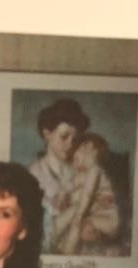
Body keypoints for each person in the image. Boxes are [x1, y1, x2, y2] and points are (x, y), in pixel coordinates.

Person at [28, 97, 92, 254]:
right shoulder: (32, 176)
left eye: (74, 138)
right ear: (47, 134)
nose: (70, 144)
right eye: (64, 137)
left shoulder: (81, 171)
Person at [63, 132, 124, 256]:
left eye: (78, 151)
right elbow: (69, 188)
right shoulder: (84, 174)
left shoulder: (95, 170)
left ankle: (67, 254)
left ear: (89, 148)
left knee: (77, 225)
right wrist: (63, 194)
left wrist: (78, 216)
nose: (74, 162)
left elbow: (87, 195)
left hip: (108, 219)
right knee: (77, 229)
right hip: (95, 218)